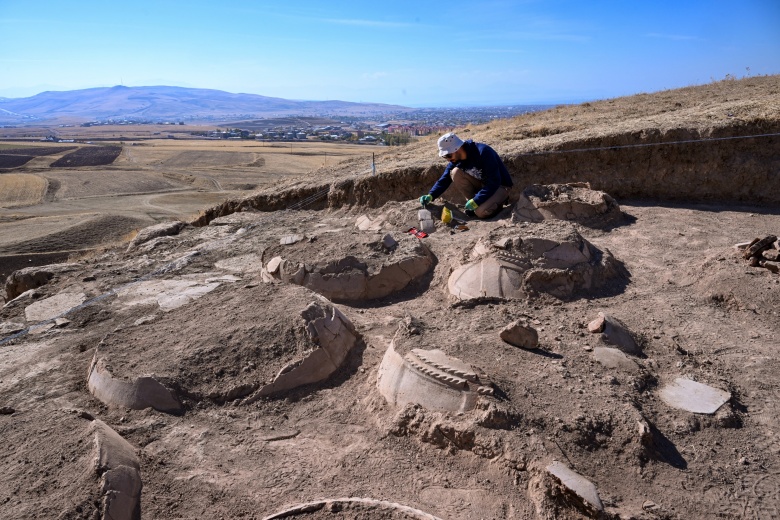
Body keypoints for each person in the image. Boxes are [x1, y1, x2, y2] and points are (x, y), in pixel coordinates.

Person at [419, 132, 512, 218]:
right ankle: (475, 204)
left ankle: (497, 204)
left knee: (480, 212)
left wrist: (477, 200)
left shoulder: (483, 152)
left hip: (500, 186)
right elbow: (444, 179)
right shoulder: (456, 160)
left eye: (448, 155)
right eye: (445, 156)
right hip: (484, 185)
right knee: (455, 172)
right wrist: (431, 195)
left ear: (457, 148)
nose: (447, 159)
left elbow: (494, 182)